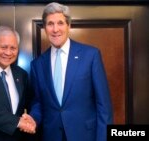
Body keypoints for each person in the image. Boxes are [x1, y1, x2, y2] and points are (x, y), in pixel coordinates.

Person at [28, 2, 113, 141]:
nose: (55, 29)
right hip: (51, 136)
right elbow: (38, 103)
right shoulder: (37, 65)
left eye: (60, 23)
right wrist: (33, 118)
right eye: (50, 24)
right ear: (44, 28)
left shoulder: (90, 55)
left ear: (69, 26)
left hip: (85, 135)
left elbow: (104, 106)